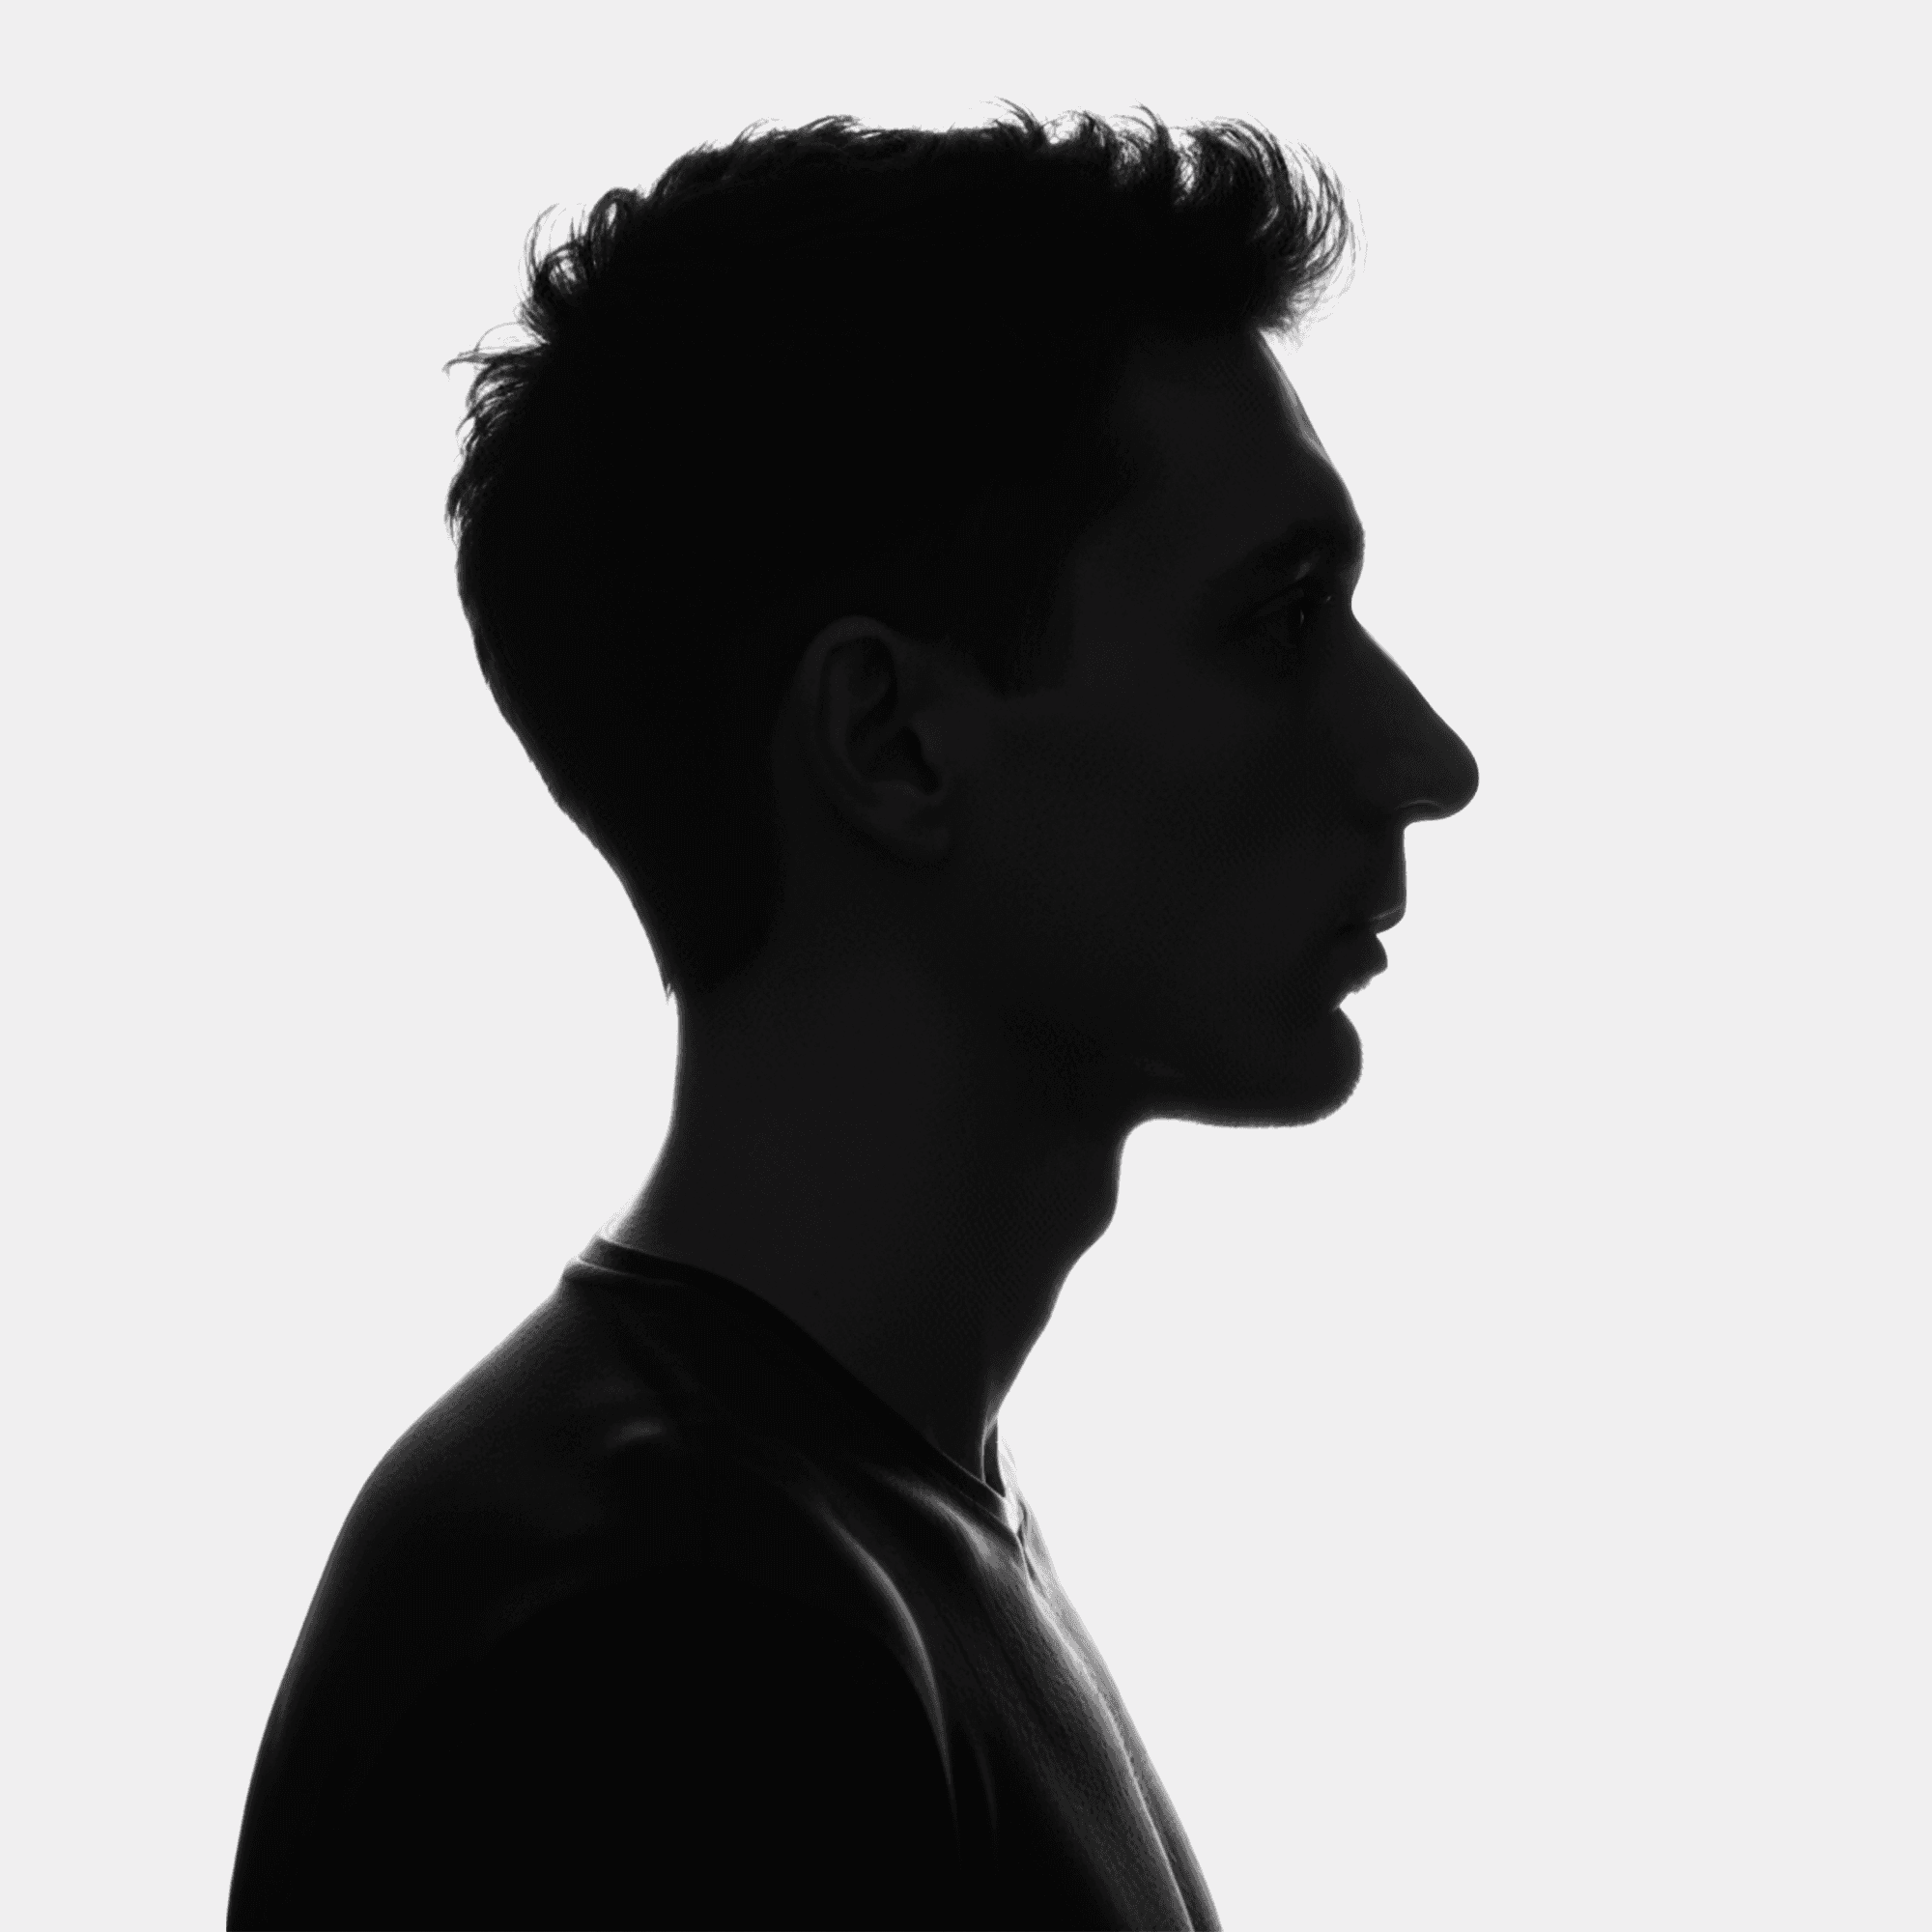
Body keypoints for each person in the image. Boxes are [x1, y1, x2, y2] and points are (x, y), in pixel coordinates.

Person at [227, 104, 1477, 1930]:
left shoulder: (832, 1531)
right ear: (894, 743)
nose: (1426, 758)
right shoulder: (658, 1655)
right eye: (1280, 622)